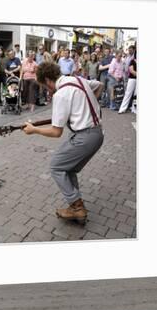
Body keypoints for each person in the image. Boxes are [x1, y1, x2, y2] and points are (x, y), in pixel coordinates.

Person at [22, 62, 104, 224]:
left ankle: (77, 207)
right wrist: (87, 106)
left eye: (45, 87)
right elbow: (99, 85)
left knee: (56, 166)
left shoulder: (61, 94)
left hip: (84, 137)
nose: (47, 90)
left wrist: (34, 130)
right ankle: (75, 205)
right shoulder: (78, 80)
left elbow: (56, 132)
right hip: (97, 134)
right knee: (69, 169)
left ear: (47, 79)